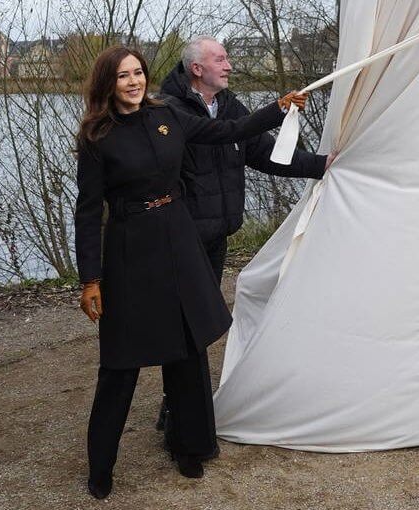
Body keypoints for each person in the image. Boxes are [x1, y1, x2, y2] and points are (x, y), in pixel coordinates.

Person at [74, 46, 312, 499]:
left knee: (187, 348)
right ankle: (101, 467)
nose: (133, 82)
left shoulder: (168, 117)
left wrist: (277, 108)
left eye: (138, 73)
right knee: (121, 362)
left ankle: (191, 447)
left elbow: (230, 131)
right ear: (108, 82)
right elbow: (87, 214)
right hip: (129, 250)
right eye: (123, 76)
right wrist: (90, 279)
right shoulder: (96, 137)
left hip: (178, 239)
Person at [155, 36, 331, 433]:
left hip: (217, 235)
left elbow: (265, 153)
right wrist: (276, 109)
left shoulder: (230, 105)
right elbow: (219, 134)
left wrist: (323, 165)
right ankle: (178, 408)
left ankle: (186, 405)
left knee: (201, 323)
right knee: (186, 324)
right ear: (197, 69)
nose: (229, 65)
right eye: (221, 59)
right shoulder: (169, 111)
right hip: (182, 238)